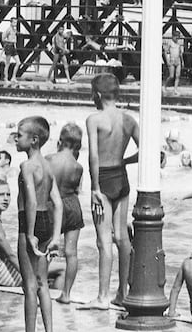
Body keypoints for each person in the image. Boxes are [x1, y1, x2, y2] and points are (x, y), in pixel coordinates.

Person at [8, 116, 63, 332]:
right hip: (47, 223)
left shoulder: (27, 167)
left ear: (34, 140)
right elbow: (58, 204)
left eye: (19, 135)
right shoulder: (49, 166)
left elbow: (30, 200)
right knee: (42, 285)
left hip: (29, 223)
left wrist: (29, 234)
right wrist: (56, 236)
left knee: (29, 286)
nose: (15, 138)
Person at [84, 73, 138, 310]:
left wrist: (95, 187)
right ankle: (122, 293)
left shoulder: (94, 119)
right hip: (121, 177)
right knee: (122, 238)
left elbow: (94, 156)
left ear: (96, 94)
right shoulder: (128, 120)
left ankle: (102, 297)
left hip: (104, 179)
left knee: (104, 241)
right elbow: (150, 150)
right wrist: (126, 162)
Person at [47, 123, 85, 304]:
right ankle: (66, 294)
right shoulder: (78, 167)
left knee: (45, 247)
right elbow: (77, 189)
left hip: (52, 205)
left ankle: (39, 286)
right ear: (78, 145)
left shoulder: (48, 159)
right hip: (72, 206)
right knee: (71, 252)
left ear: (60, 141)